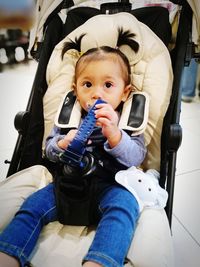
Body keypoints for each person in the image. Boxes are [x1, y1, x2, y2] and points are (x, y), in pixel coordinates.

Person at [0, 42, 147, 267]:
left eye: (108, 84)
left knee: (125, 207)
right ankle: (8, 253)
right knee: (32, 206)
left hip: (110, 187)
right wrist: (63, 143)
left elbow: (136, 156)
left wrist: (115, 135)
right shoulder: (70, 118)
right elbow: (49, 150)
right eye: (87, 84)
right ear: (75, 89)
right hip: (68, 185)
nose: (97, 93)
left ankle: (100, 261)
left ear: (125, 92)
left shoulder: (128, 122)